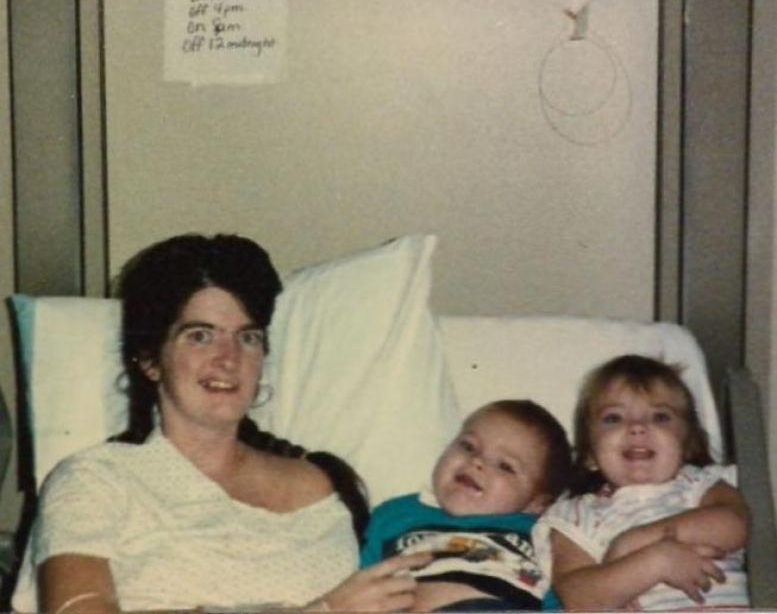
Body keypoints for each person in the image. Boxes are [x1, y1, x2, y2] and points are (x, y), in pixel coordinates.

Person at [12, 233, 430, 614]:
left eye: (248, 337)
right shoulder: (94, 482)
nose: (229, 359)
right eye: (200, 335)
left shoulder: (324, 485)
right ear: (150, 360)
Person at [533, 354, 750, 611]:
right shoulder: (576, 515)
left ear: (688, 443)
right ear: (590, 453)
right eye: (613, 418)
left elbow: (736, 525)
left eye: (660, 417)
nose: (637, 427)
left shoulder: (700, 485)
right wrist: (656, 561)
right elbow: (578, 599)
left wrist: (635, 540)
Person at [360, 399, 572, 612]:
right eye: (468, 447)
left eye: (505, 466)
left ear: (537, 503)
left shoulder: (542, 535)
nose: (477, 461)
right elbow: (362, 584)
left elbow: (564, 600)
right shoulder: (397, 513)